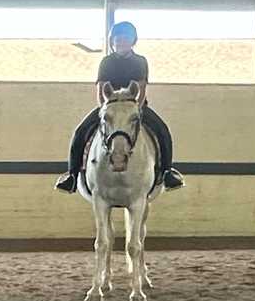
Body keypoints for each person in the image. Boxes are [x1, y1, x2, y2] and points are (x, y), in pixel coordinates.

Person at [56, 20, 183, 194]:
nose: (122, 41)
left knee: (162, 129)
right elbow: (101, 88)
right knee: (80, 131)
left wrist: (137, 108)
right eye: (118, 38)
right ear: (112, 41)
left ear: (133, 41)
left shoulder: (139, 61)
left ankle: (168, 171)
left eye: (126, 38)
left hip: (134, 106)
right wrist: (104, 109)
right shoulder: (107, 62)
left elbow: (141, 88)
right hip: (110, 106)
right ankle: (72, 175)